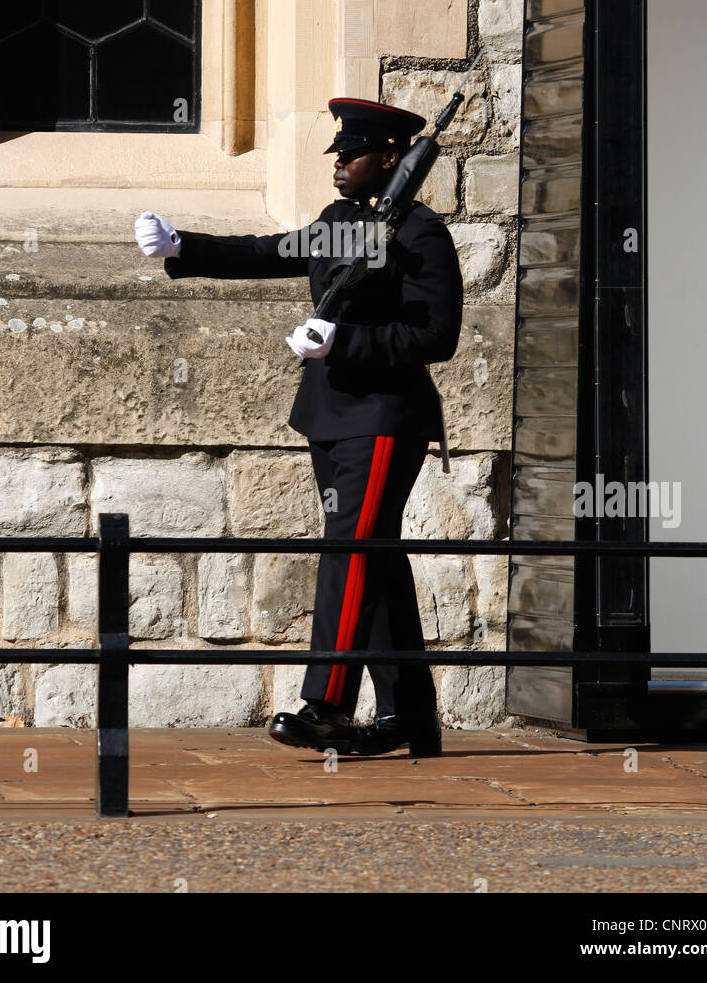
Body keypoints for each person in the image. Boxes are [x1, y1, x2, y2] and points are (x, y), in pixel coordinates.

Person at [134, 97, 464, 758]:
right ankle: (409, 719)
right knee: (377, 562)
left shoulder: (421, 234)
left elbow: (436, 335)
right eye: (337, 153)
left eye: (354, 153)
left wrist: (344, 340)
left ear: (393, 159)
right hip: (331, 416)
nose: (339, 163)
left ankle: (327, 707)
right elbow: (267, 250)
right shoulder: (341, 222)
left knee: (350, 555)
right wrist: (182, 245)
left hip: (383, 419)